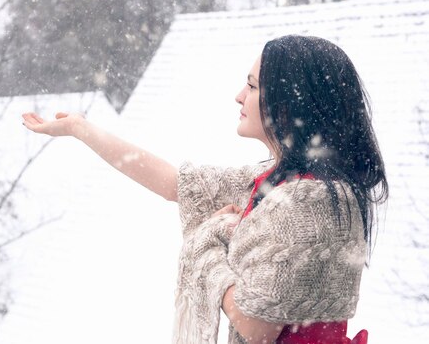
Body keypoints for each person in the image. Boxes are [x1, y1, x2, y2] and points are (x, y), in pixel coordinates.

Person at [22, 35, 387, 344]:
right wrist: (81, 130)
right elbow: (173, 182)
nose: (238, 95)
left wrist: (208, 245)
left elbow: (256, 323)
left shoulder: (312, 201)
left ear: (289, 103)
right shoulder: (278, 183)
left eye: (253, 85)